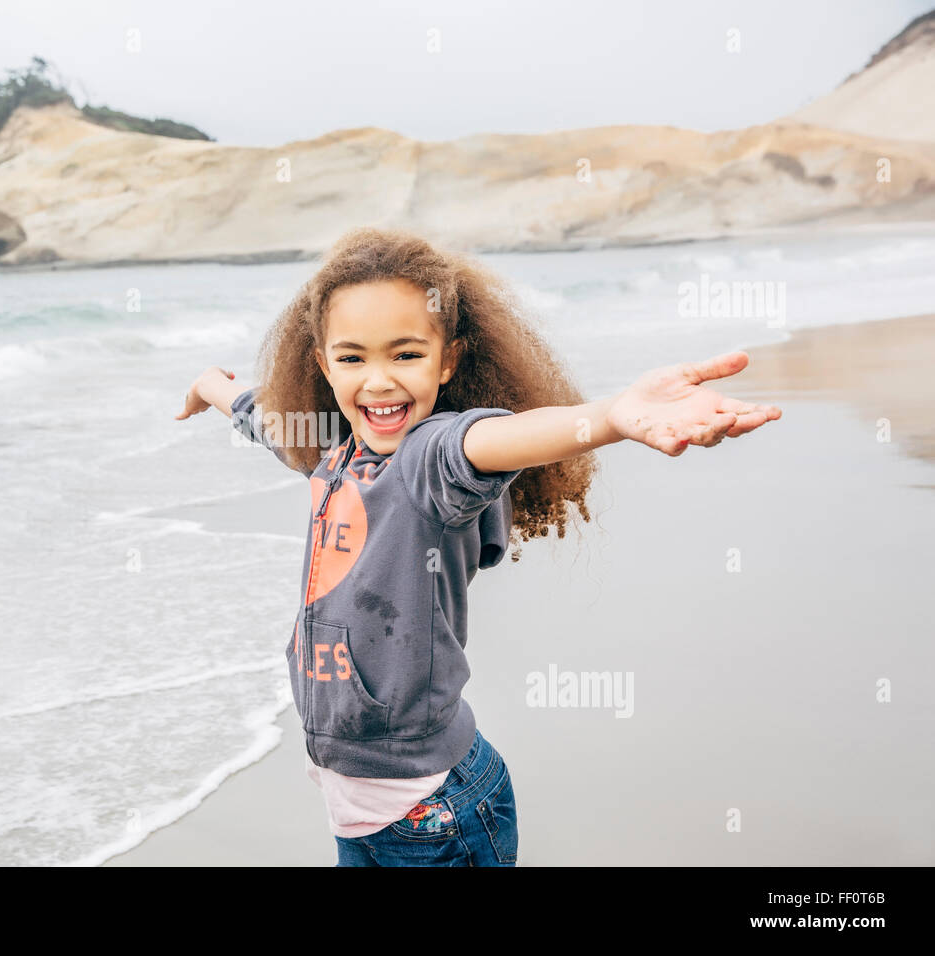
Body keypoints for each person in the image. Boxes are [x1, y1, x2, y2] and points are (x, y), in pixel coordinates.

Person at [175, 226, 781, 866]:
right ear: (323, 365)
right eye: (352, 358)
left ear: (448, 360)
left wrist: (609, 418)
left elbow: (491, 441)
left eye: (405, 355)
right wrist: (208, 385)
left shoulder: (428, 461)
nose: (378, 381)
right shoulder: (331, 452)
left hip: (432, 813)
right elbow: (261, 414)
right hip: (358, 803)